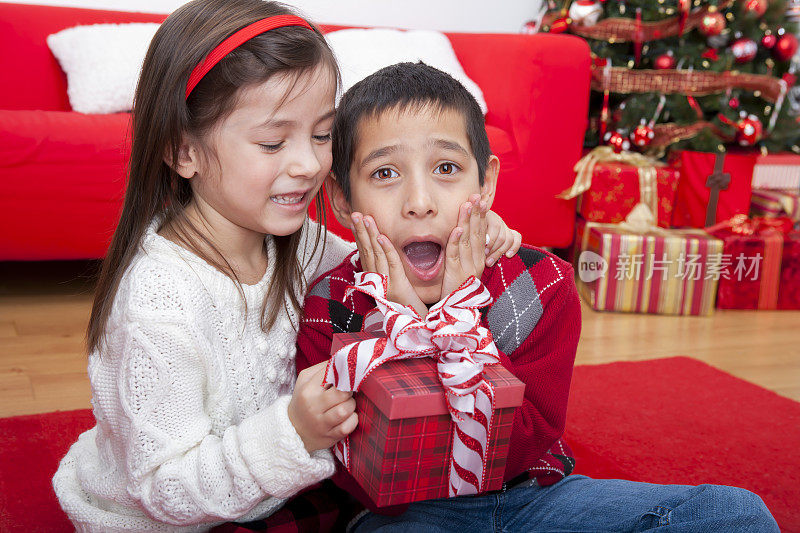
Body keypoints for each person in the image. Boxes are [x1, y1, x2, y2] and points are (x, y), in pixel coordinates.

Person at [51, 4, 519, 530]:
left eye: (322, 135)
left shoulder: (300, 243)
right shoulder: (157, 303)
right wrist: (294, 431)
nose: (310, 164)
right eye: (273, 143)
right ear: (184, 152)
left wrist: (474, 230)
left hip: (282, 492)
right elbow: (165, 490)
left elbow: (392, 274)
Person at [295, 62, 780, 532]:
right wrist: (404, 321)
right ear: (342, 197)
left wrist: (455, 318)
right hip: (405, 516)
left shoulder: (542, 282)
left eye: (446, 168)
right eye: (384, 174)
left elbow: (526, 441)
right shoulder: (329, 305)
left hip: (531, 496)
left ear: (485, 183)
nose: (419, 202)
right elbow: (351, 473)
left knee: (733, 513)